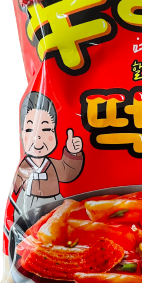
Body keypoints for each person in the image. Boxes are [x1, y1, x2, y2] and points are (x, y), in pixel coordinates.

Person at [12, 91, 84, 220]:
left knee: (58, 221)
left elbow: (67, 171)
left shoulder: (52, 165)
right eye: (30, 130)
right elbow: (16, 187)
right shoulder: (25, 166)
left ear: (55, 132)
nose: (38, 136)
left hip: (54, 201)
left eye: (46, 130)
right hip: (28, 202)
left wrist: (72, 152)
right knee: (25, 222)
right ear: (21, 134)